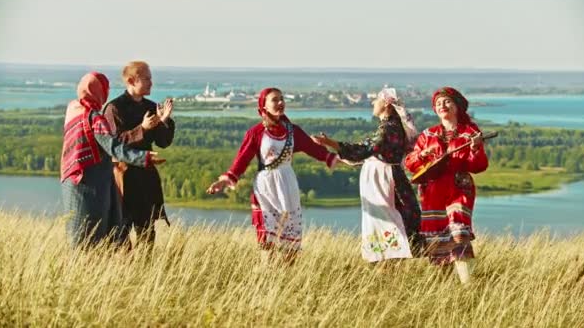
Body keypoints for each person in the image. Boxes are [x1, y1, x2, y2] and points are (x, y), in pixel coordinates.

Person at [206, 87, 338, 262]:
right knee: (266, 241)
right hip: (265, 188)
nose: (281, 103)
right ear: (264, 106)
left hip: (287, 186)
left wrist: (342, 159)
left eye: (282, 99)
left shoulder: (293, 131)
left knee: (289, 244)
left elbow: (316, 150)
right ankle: (266, 276)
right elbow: (241, 160)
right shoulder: (256, 133)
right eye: (275, 100)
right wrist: (223, 181)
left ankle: (287, 279)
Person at [311, 88, 423, 262]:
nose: (373, 103)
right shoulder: (390, 127)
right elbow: (368, 151)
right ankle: (388, 262)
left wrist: (330, 142)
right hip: (382, 179)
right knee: (386, 220)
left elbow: (364, 150)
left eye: (376, 100)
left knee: (386, 220)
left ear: (386, 103)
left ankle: (387, 265)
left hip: (383, 182)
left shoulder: (388, 129)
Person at [60, 72, 163, 247]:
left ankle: (82, 269)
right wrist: (143, 158)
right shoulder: (94, 118)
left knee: (77, 234)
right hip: (93, 185)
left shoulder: (73, 109)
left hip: (72, 180)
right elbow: (113, 146)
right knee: (97, 236)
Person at [404, 86, 488, 283]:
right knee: (438, 240)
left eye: (447, 101)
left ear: (457, 106)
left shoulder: (470, 133)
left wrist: (475, 148)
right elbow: (410, 163)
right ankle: (446, 288)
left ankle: (469, 284)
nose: (442, 105)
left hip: (459, 189)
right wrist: (421, 154)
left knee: (459, 233)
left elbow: (479, 166)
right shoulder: (428, 135)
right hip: (432, 192)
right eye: (438, 103)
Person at [104, 61, 175, 246]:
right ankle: (122, 270)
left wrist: (164, 121)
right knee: (121, 230)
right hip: (123, 175)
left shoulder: (151, 107)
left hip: (145, 175)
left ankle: (145, 268)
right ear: (131, 80)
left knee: (147, 230)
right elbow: (114, 143)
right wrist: (142, 128)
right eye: (146, 78)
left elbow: (163, 142)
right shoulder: (114, 108)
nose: (151, 82)